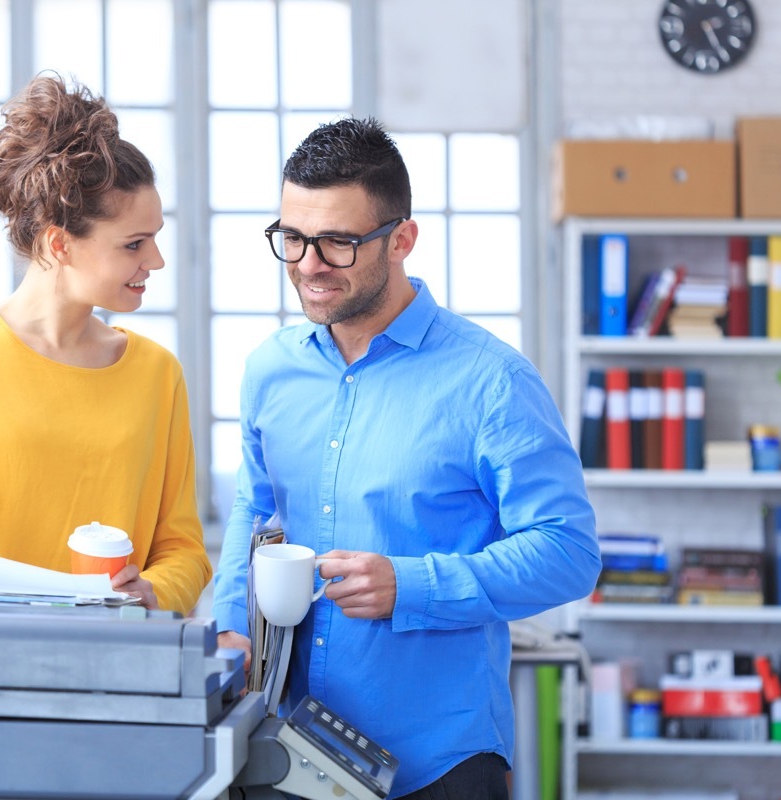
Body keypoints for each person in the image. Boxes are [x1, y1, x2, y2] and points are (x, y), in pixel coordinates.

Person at [211, 117, 601, 798]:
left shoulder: (492, 382)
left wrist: (412, 586)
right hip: (289, 748)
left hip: (440, 761)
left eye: (336, 242)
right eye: (293, 238)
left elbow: (569, 552)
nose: (308, 265)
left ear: (401, 241)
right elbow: (257, 506)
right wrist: (226, 627)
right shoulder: (269, 371)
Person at [0, 73, 210, 615]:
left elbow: (184, 549)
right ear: (59, 243)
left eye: (156, 238)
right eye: (134, 244)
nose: (157, 260)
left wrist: (156, 592)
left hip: (112, 663)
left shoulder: (156, 373)